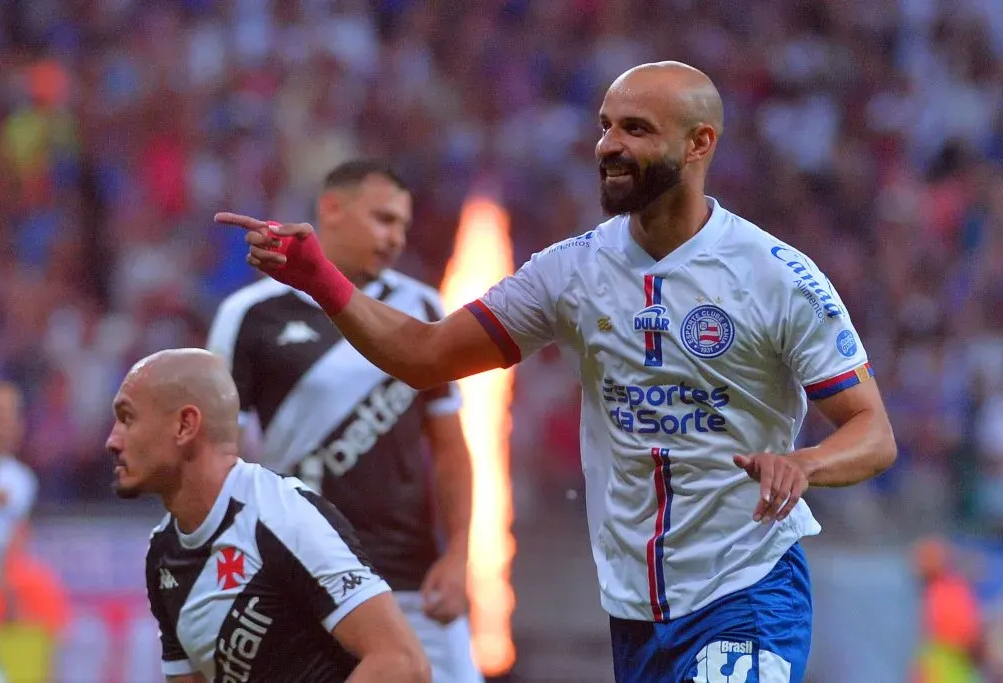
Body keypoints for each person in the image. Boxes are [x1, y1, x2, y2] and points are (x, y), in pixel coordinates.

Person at [217, 61, 898, 683]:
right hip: (634, 610)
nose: (609, 145)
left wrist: (804, 464)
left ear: (700, 144)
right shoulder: (570, 272)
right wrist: (321, 280)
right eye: (605, 126)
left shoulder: (775, 276)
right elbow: (425, 355)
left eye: (636, 129)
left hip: (746, 588)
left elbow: (873, 429)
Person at [207, 160, 481, 683]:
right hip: (304, 580)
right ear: (331, 209)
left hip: (411, 580)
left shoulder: (422, 308)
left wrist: (459, 556)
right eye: (383, 219)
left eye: (402, 224)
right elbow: (222, 458)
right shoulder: (250, 315)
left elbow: (450, 448)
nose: (395, 237)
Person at [106, 348, 430, 683]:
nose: (112, 441)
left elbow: (402, 663)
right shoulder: (163, 554)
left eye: (127, 418)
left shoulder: (283, 518)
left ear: (185, 425)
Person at [0, 382, 38, 683]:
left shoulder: (20, 481)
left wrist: (8, 592)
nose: (4, 426)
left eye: (11, 417)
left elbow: (9, 546)